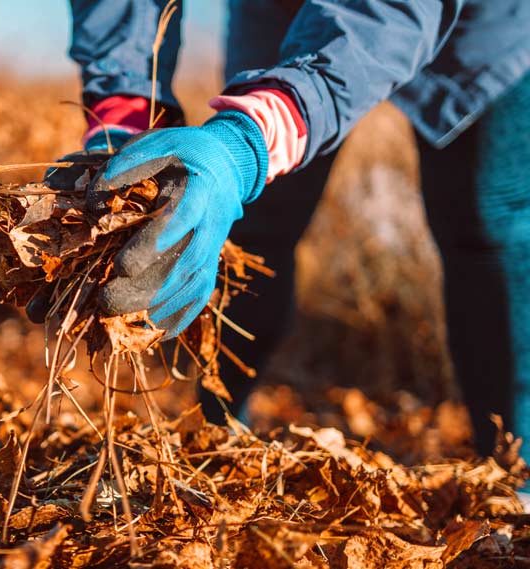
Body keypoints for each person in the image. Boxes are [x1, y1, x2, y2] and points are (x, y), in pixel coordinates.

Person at [62, 0, 530, 465]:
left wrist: (253, 137)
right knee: (257, 224)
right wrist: (123, 110)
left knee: (486, 230)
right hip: (281, 11)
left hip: (482, 26)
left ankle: (516, 472)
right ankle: (216, 433)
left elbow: (389, 13)